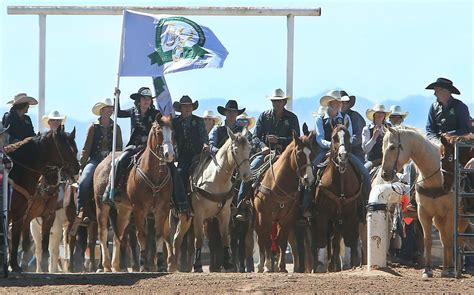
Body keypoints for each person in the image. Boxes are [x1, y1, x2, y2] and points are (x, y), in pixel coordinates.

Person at [236, 88, 300, 220]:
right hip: (265, 153)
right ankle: (241, 206)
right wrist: (263, 146)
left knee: (303, 176)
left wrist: (279, 140)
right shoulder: (264, 116)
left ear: (284, 102)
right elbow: (255, 137)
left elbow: (296, 139)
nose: (276, 104)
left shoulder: (292, 118)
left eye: (278, 101)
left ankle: (302, 208)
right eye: (274, 101)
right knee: (250, 172)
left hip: (285, 155)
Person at [310, 90, 371, 219]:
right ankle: (307, 203)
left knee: (364, 172)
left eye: (339, 102)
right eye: (336, 102)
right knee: (311, 172)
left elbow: (348, 136)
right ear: (330, 103)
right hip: (325, 151)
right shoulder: (320, 119)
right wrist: (331, 146)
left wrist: (342, 147)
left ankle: (365, 204)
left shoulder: (346, 118)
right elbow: (319, 138)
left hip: (344, 151)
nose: (338, 104)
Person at [102, 87, 159, 204]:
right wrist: (116, 98)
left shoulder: (155, 114)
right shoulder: (133, 111)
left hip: (151, 147)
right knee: (121, 161)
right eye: (144, 98)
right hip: (134, 145)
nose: (147, 101)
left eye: (149, 98)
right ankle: (112, 189)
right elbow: (118, 113)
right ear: (139, 100)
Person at [76, 98, 123, 223]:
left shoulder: (116, 127)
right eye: (107, 108)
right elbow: (86, 148)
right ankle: (80, 211)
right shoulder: (93, 127)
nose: (109, 110)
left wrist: (113, 155)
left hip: (111, 160)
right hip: (95, 160)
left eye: (111, 108)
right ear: (101, 110)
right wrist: (82, 166)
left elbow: (119, 147)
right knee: (84, 181)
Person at [172, 95, 209, 215]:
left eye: (189, 106)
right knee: (180, 173)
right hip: (182, 155)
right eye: (185, 106)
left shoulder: (198, 121)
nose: (187, 108)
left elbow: (204, 136)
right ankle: (181, 203)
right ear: (181, 108)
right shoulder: (175, 122)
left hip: (199, 154)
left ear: (192, 107)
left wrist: (205, 144)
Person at [425, 77, 471, 146]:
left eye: (437, 91)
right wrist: (436, 142)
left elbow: (466, 129)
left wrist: (450, 134)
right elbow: (430, 130)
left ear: (446, 91)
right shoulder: (434, 107)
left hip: (456, 144)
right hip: (437, 144)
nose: (434, 94)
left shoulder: (460, 106)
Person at [362, 104, 391, 171]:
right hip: (372, 161)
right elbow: (365, 149)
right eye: (378, 112)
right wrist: (374, 137)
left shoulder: (390, 128)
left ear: (384, 115)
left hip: (388, 161)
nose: (380, 114)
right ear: (374, 115)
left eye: (382, 113)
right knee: (364, 172)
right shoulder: (367, 129)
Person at [341, 91, 366, 163]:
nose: (342, 104)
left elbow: (359, 136)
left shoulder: (355, 116)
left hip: (355, 152)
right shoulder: (334, 118)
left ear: (348, 104)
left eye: (345, 102)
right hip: (338, 150)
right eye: (340, 102)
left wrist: (346, 143)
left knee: (363, 171)